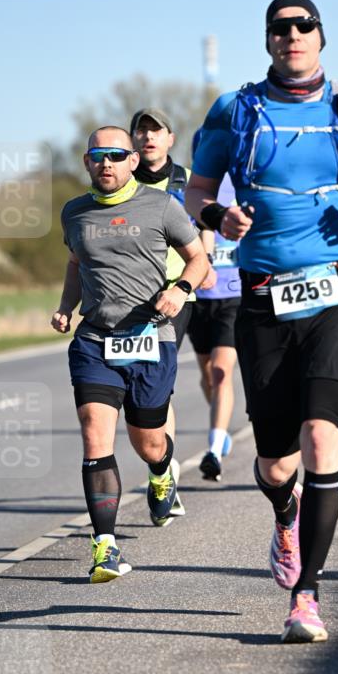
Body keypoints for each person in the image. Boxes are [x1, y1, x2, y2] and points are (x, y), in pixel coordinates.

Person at [186, 0, 338, 643]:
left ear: (320, 35)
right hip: (261, 298)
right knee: (279, 463)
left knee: (321, 440)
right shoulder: (234, 110)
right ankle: (285, 514)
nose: (291, 35)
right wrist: (216, 218)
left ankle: (306, 595)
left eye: (301, 25)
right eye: (278, 28)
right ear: (267, 41)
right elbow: (198, 189)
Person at [52, 126, 208, 582]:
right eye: (98, 155)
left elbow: (199, 258)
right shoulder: (74, 213)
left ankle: (161, 471)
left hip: (149, 337)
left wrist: (180, 289)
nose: (107, 162)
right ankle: (105, 547)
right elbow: (76, 263)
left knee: (149, 441)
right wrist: (66, 307)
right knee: (94, 433)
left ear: (133, 161)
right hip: (95, 339)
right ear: (86, 162)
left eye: (117, 154)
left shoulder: (162, 206)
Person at [130, 107, 201, 521]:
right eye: (141, 131)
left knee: (162, 384)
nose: (148, 138)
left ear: (170, 138)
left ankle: (166, 475)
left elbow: (203, 227)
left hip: (177, 294)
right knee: (149, 389)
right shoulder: (124, 179)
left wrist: (201, 269)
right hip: (132, 294)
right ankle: (163, 470)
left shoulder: (188, 181)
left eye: (155, 131)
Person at [187, 130, 240, 481]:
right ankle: (219, 427)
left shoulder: (240, 187)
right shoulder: (187, 191)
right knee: (208, 376)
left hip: (233, 295)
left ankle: (214, 447)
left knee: (222, 371)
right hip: (196, 298)